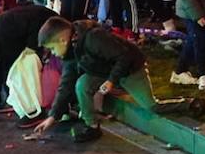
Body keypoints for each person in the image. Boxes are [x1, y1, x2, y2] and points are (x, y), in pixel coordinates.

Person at [32, 17, 162, 143]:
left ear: (62, 40)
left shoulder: (93, 38)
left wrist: (111, 80)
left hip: (130, 70)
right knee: (82, 85)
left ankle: (179, 105)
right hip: (103, 72)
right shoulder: (70, 52)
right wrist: (53, 116)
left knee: (152, 108)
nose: (53, 53)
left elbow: (124, 56)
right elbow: (66, 84)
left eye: (52, 49)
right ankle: (92, 126)